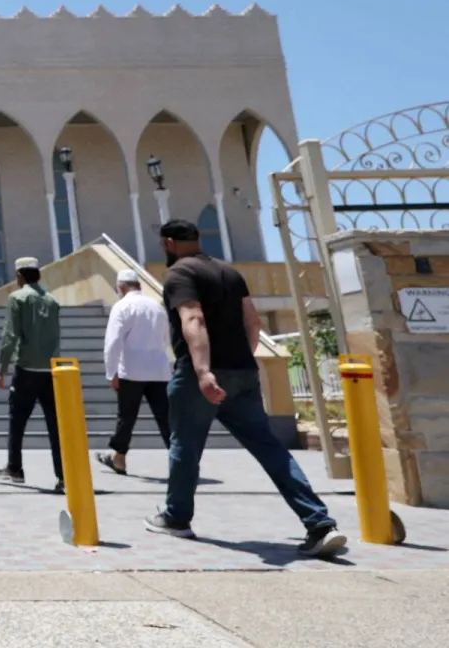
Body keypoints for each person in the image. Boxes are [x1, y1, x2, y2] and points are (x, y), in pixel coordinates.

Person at [146, 219, 347, 558]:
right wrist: (241, 359)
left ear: (168, 244)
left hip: (202, 376)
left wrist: (205, 371)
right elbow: (252, 322)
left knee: (185, 447)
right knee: (270, 448)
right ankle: (319, 523)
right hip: (242, 371)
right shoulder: (229, 273)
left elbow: (192, 318)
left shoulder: (180, 274)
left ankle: (177, 518)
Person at [0, 257, 64, 494]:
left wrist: (3, 367)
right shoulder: (53, 301)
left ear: (20, 276)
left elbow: (10, 335)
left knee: (17, 421)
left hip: (26, 368)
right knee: (56, 425)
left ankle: (15, 467)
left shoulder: (17, 298)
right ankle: (63, 475)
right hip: (51, 370)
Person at [97, 269, 172, 475]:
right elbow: (166, 338)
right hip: (159, 371)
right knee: (166, 419)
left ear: (120, 287)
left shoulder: (122, 306)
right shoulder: (157, 306)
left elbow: (113, 342)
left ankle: (119, 458)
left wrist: (111, 372)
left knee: (126, 418)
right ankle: (181, 459)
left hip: (131, 371)